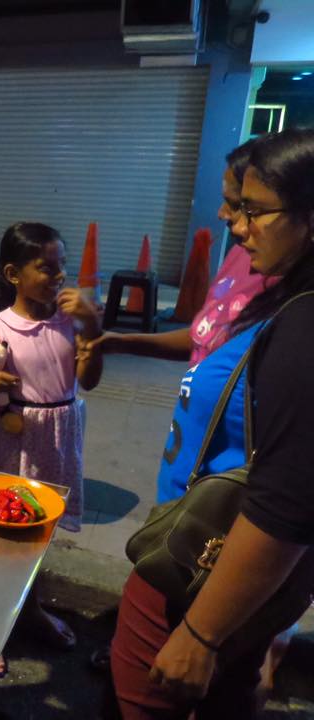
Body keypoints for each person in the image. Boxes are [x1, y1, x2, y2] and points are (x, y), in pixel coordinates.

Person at [109, 128, 314, 719]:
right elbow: (209, 345)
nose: (233, 222)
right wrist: (124, 340)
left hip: (209, 559)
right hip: (196, 536)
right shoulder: (274, 286)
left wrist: (199, 634)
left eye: (252, 209)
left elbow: (289, 503)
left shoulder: (303, 321)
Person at [0, 221, 103, 677]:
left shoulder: (72, 323)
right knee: (1, 536)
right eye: (46, 267)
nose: (59, 276)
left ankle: (31, 609)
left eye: (62, 266)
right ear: (13, 274)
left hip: (58, 439)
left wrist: (94, 325)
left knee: (40, 534)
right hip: (13, 439)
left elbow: (90, 380)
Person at [88, 138, 271, 370]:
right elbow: (205, 335)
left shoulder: (291, 293)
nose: (221, 214)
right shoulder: (240, 254)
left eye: (237, 205)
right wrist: (123, 342)